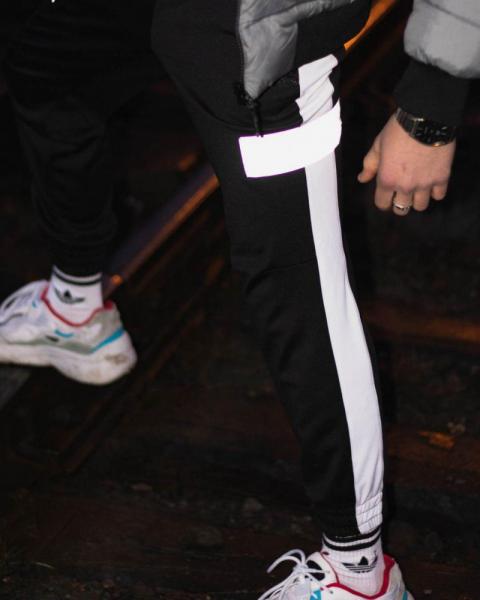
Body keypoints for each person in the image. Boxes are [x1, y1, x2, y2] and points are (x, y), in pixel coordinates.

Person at [0, 0, 478, 597]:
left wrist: (431, 102)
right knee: (46, 60)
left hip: (259, 26)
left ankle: (360, 571)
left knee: (293, 273)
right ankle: (74, 308)